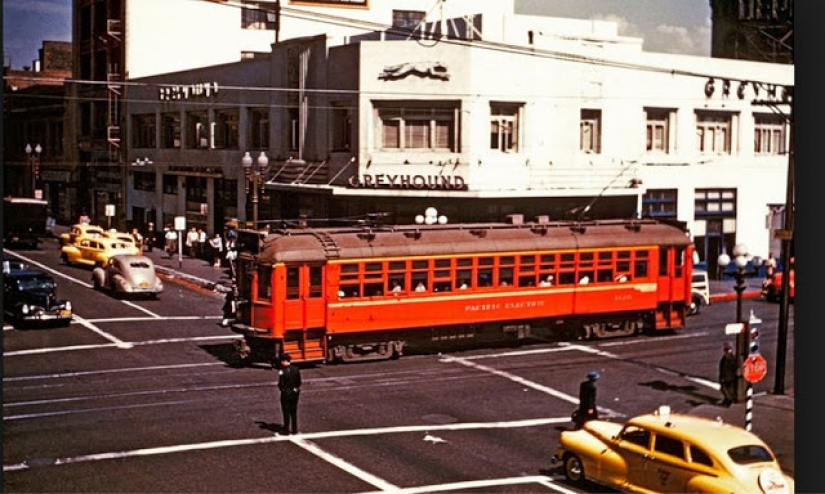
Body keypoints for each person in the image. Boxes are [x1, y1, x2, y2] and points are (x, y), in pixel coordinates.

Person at [276, 353, 302, 435]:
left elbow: (281, 384)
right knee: (293, 411)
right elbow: (299, 381)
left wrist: (283, 390)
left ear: (284, 361)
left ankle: (286, 429)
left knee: (286, 411)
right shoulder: (296, 369)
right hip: (295, 392)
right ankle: (294, 429)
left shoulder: (282, 371)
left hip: (286, 393)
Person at [718, 341, 738, 407]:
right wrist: (721, 377)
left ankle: (729, 401)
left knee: (729, 390)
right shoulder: (724, 358)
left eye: (727, 349)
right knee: (723, 389)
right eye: (725, 349)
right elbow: (722, 368)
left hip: (730, 377)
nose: (726, 351)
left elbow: (734, 367)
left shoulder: (732, 358)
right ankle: (727, 400)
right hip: (725, 377)